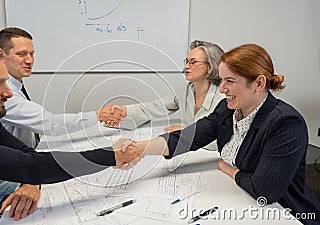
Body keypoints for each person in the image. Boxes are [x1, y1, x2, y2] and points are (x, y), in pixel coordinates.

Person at [0, 43, 140, 225]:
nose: (7, 92)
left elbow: (27, 156)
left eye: (5, 82)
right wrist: (113, 155)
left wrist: (30, 183)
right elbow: (32, 167)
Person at [124, 44, 320, 225]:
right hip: (242, 201)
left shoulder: (285, 123)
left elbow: (264, 191)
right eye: (222, 80)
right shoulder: (228, 110)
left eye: (230, 81)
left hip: (287, 213)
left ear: (259, 83)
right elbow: (189, 137)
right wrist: (139, 148)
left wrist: (228, 169)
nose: (223, 88)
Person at [0, 27, 125, 215]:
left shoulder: (14, 87)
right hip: (0, 180)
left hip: (19, 164)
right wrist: (98, 115)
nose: (29, 60)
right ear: (1, 55)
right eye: (22, 54)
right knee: (68, 191)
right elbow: (49, 124)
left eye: (32, 54)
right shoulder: (4, 94)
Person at [108, 40, 224, 151]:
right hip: (191, 152)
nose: (186, 67)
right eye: (187, 62)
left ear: (210, 67)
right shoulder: (187, 91)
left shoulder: (223, 98)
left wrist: (187, 133)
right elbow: (154, 107)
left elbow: (226, 140)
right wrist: (122, 111)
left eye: (193, 62)